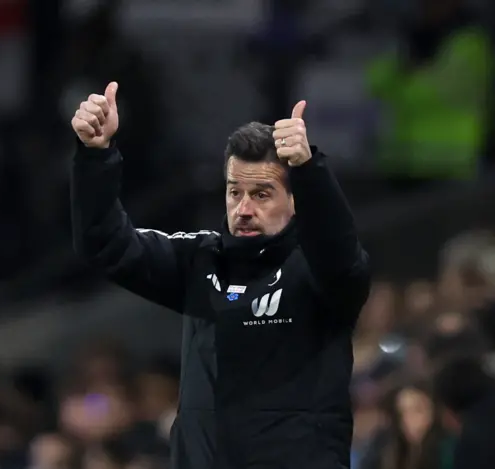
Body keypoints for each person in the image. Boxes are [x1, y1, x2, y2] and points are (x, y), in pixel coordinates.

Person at [70, 82, 370, 469]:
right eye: (234, 192)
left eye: (261, 194)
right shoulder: (200, 257)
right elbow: (105, 245)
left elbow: (342, 257)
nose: (243, 209)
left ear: (295, 200)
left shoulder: (317, 272)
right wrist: (96, 156)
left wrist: (310, 172)